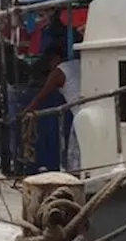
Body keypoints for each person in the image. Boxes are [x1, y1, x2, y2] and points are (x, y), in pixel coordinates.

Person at [19, 41, 82, 172]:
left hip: (80, 116)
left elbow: (40, 97)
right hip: (86, 110)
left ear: (55, 58)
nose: (49, 65)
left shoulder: (58, 72)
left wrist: (25, 113)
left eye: (49, 61)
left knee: (76, 157)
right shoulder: (77, 63)